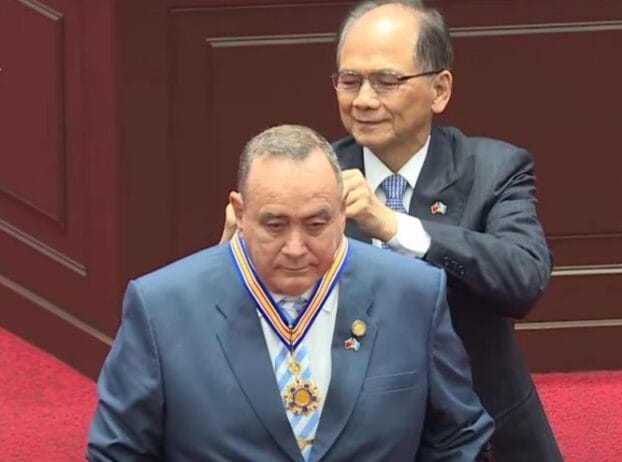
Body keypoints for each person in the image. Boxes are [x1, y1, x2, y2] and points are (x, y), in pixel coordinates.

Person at [222, 1, 560, 459]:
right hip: (348, 436)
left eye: (386, 81)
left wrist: (393, 226)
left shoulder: (494, 168)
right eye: (350, 81)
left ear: (439, 89)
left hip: (481, 430)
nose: (363, 100)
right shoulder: (310, 182)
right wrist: (232, 260)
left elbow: (523, 279)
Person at [87, 125, 494, 461]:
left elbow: (458, 439)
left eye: (316, 225)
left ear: (343, 212)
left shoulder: (414, 294)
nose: (296, 248)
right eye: (275, 226)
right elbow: (118, 453)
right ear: (240, 214)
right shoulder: (161, 307)